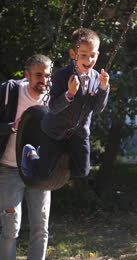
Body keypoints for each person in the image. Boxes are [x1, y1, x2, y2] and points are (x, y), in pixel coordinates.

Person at [0, 54, 53, 260]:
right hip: (9, 170)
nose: (44, 80)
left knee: (41, 228)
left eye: (47, 76)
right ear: (27, 74)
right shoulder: (9, 91)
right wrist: (12, 126)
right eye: (39, 75)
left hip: (40, 172)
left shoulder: (52, 97)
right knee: (11, 229)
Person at [21, 28, 109, 180]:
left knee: (82, 171)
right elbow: (53, 108)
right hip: (54, 130)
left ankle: (60, 156)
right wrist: (70, 93)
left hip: (79, 132)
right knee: (42, 174)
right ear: (73, 54)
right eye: (83, 55)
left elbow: (97, 109)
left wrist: (103, 88)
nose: (88, 61)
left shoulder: (98, 78)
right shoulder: (61, 76)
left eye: (92, 56)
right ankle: (30, 155)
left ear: (98, 54)